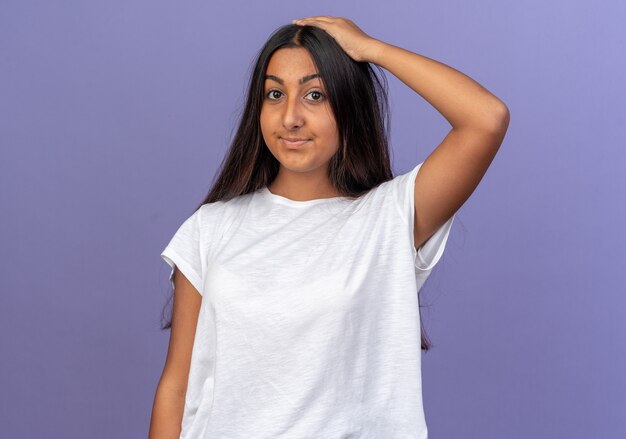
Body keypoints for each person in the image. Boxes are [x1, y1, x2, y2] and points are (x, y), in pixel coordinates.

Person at [148, 16, 509, 439]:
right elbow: (176, 387)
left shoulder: (389, 218)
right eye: (275, 94)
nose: (290, 117)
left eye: (315, 95)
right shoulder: (211, 227)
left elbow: (486, 118)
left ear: (348, 105)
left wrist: (371, 49)